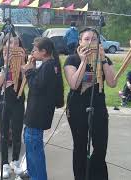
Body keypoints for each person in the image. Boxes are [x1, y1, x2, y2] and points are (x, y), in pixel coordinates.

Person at [64, 28, 117, 180]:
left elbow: (112, 83)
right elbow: (74, 84)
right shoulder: (72, 60)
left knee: (100, 147)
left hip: (98, 106)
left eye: (94, 39)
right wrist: (84, 61)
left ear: (99, 42)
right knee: (80, 147)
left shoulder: (104, 58)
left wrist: (103, 59)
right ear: (80, 42)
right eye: (86, 39)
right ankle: (81, 176)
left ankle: (96, 175)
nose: (90, 42)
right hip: (77, 107)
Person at [21, 37, 64, 180]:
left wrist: (28, 71)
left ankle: (38, 177)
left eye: (34, 50)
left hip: (37, 115)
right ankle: (33, 175)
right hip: (38, 114)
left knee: (34, 150)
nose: (32, 53)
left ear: (44, 52)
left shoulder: (48, 66)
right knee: (31, 147)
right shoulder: (51, 65)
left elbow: (36, 86)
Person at [0, 34, 26, 178]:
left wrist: (26, 65)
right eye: (10, 42)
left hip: (18, 100)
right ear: (4, 44)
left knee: (17, 131)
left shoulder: (23, 60)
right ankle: (4, 164)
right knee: (4, 133)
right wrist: (6, 64)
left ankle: (15, 161)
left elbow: (28, 82)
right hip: (3, 100)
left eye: (16, 43)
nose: (13, 46)